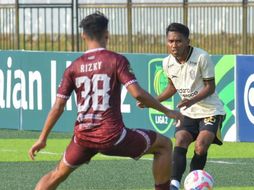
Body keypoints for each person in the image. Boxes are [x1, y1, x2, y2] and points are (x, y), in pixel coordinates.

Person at [28, 12, 183, 190]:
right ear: (107, 35)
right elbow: (137, 94)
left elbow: (58, 106)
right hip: (113, 136)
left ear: (83, 35)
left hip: (83, 137)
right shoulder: (116, 60)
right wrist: (168, 111)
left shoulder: (74, 67)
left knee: (56, 174)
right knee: (164, 145)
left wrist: (42, 138)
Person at [137, 23, 226, 190]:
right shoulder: (167, 63)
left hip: (210, 110)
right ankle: (174, 184)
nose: (174, 45)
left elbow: (210, 87)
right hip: (187, 111)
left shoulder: (201, 57)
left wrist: (191, 100)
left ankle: (194, 183)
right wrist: (152, 100)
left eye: (178, 41)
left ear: (187, 41)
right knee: (181, 140)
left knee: (201, 145)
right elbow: (171, 87)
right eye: (170, 41)